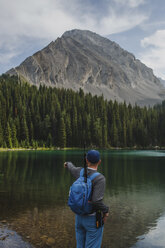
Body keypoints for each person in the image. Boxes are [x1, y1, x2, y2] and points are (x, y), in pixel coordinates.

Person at [64, 149, 109, 248]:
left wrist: (67, 163)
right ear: (99, 162)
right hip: (92, 219)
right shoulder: (100, 178)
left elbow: (71, 168)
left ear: (86, 160)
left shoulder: (80, 171)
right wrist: (106, 211)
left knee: (80, 246)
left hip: (79, 216)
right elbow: (96, 201)